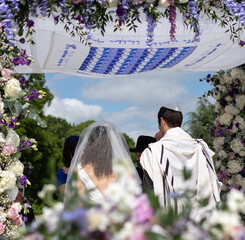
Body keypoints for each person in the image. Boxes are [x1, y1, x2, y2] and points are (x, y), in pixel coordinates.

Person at [140, 104, 222, 221]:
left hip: (170, 221)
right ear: (181, 121)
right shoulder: (200, 147)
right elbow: (211, 182)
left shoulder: (153, 152)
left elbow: (149, 191)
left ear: (162, 121)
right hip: (201, 219)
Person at [64, 121, 141, 205]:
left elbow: (80, 205)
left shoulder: (81, 169)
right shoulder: (122, 166)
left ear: (88, 145)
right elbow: (134, 198)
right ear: (112, 145)